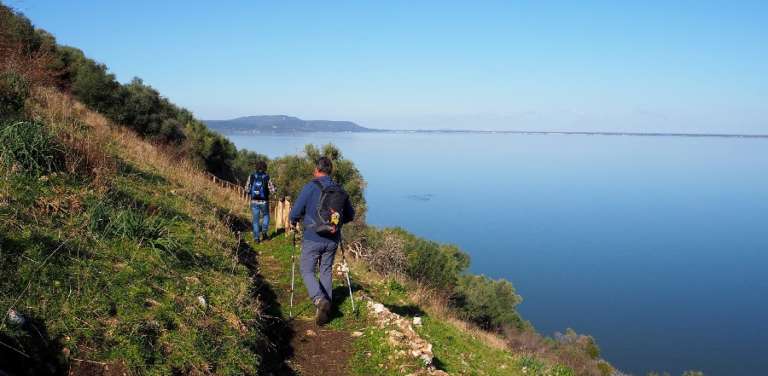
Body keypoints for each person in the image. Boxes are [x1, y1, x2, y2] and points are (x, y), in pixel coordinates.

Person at [289, 157, 355, 325]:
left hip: (312, 237)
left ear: (316, 170)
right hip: (332, 238)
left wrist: (294, 220)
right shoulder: (339, 190)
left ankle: (319, 300)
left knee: (306, 270)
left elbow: (295, 212)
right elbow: (350, 215)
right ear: (330, 171)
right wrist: (334, 224)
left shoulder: (311, 187)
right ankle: (327, 307)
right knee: (325, 271)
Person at [246, 160, 275, 242]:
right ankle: (264, 232)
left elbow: (247, 189)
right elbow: (272, 190)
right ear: (265, 168)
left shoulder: (251, 176)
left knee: (255, 220)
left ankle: (256, 238)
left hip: (254, 201)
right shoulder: (266, 177)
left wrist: (251, 193)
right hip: (264, 201)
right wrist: (273, 191)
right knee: (266, 215)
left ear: (256, 167)